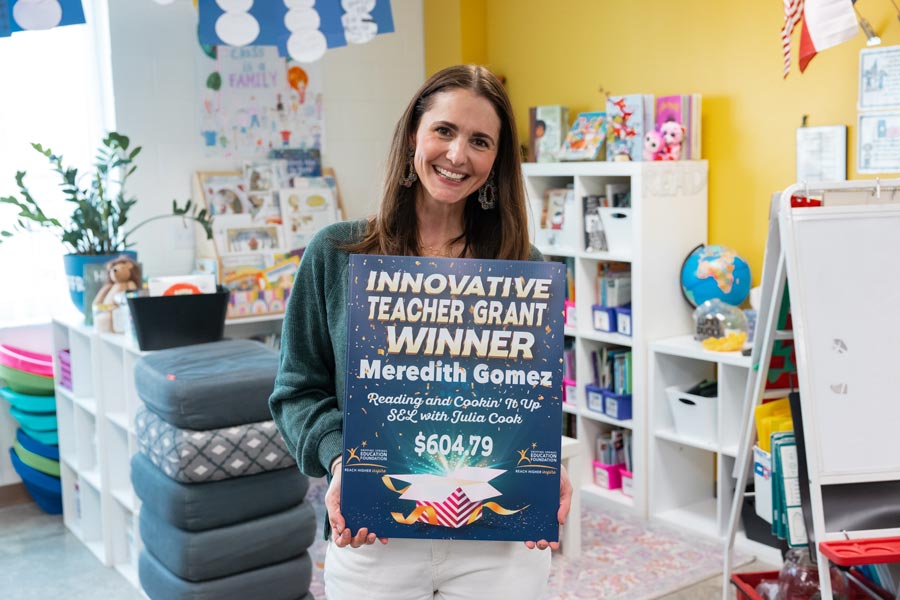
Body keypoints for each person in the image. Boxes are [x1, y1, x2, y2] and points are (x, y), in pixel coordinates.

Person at [269, 64, 572, 600]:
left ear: (497, 160)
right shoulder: (337, 253)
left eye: (480, 141)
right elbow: (297, 391)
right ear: (414, 134)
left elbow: (528, 400)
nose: (457, 155)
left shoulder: (523, 265)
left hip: (498, 546)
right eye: (444, 131)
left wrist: (542, 466)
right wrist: (341, 460)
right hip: (374, 536)